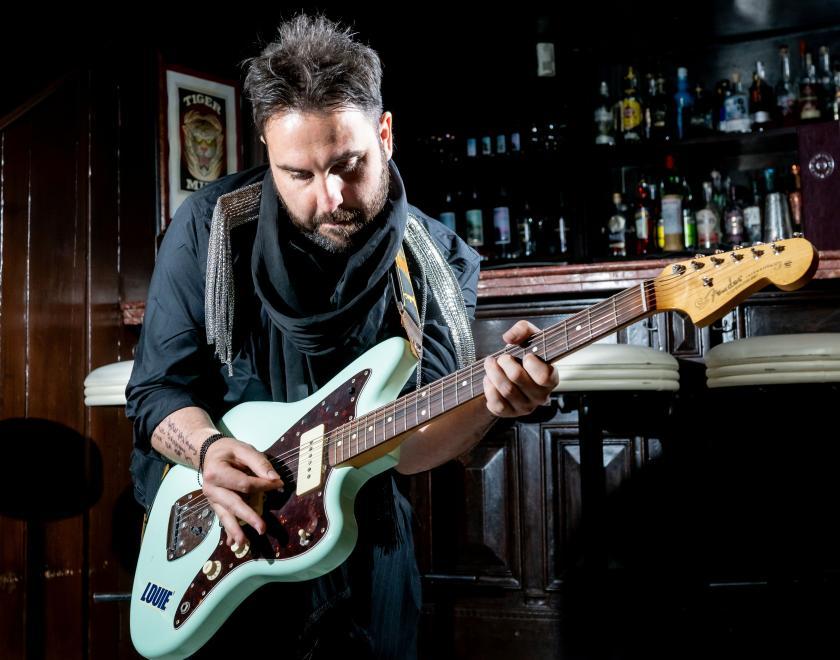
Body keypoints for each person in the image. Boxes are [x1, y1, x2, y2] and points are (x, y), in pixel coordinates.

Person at [126, 13, 558, 659]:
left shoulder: (439, 260)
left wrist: (490, 404)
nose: (328, 197)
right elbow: (157, 392)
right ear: (268, 152)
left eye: (348, 163)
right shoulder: (208, 229)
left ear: (385, 133)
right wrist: (209, 449)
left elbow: (410, 448)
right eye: (297, 174)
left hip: (366, 542)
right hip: (226, 540)